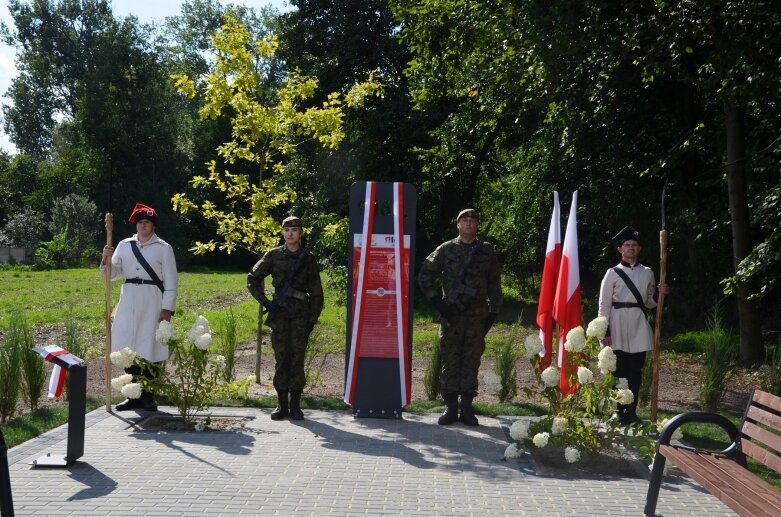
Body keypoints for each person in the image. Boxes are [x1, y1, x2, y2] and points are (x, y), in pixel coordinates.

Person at [418, 209, 502, 426]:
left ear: (477, 225)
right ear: (457, 225)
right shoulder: (447, 249)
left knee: (471, 360)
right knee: (450, 359)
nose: (469, 224)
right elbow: (425, 274)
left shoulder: (487, 251)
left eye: (473, 221)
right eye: (464, 220)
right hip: (452, 315)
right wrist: (438, 303)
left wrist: (493, 313)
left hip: (477, 316)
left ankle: (466, 408)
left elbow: (494, 282)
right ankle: (450, 407)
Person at [101, 203, 178, 411]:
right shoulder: (124, 245)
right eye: (140, 222)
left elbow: (171, 282)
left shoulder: (164, 248)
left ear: (153, 226)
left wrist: (167, 310)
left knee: (149, 346)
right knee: (128, 346)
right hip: (128, 299)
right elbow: (112, 275)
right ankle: (132, 395)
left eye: (147, 222)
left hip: (152, 300)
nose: (143, 226)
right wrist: (106, 259)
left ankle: (148, 395)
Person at [247, 216, 324, 421]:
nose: (290, 233)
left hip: (300, 315)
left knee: (297, 359)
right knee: (281, 358)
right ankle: (281, 405)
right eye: (287, 229)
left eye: (295, 230)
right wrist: (266, 302)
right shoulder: (272, 256)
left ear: (301, 233)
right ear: (282, 232)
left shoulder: (308, 258)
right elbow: (252, 279)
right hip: (279, 314)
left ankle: (296, 406)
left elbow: (316, 293)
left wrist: (311, 320)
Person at [598, 226, 669, 425]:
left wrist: (659, 293)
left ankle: (631, 413)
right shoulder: (612, 273)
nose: (631, 248)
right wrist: (605, 331)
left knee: (635, 373)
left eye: (634, 245)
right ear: (620, 249)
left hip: (638, 326)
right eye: (627, 245)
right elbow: (604, 304)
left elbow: (648, 303)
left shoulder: (647, 272)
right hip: (617, 324)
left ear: (639, 249)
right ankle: (617, 412)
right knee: (618, 372)